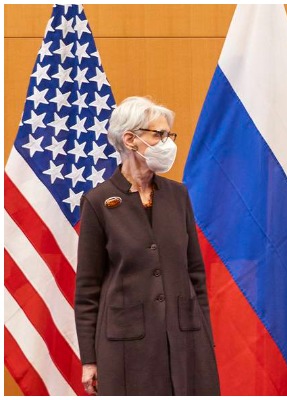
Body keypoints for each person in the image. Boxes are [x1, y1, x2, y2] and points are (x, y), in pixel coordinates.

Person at [75, 96, 220, 395]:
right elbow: (87, 290)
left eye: (169, 135)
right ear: (130, 139)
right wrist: (89, 360)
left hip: (186, 340)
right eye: (159, 134)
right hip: (126, 346)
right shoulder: (98, 201)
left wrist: (205, 336)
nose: (167, 143)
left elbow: (195, 273)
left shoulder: (178, 196)